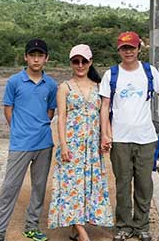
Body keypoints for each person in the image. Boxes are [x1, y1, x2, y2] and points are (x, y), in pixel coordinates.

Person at [99, 32, 159, 241]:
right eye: (124, 48)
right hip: (120, 138)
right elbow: (105, 106)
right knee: (122, 184)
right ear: (119, 50)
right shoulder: (111, 74)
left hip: (146, 138)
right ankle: (123, 225)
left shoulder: (149, 71)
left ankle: (141, 225)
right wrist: (105, 134)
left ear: (139, 48)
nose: (128, 51)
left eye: (132, 47)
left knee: (144, 184)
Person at [0, 39, 57, 241]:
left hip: (44, 143)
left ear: (46, 58)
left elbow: (50, 112)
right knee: (10, 187)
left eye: (40, 55)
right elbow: (8, 110)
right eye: (32, 55)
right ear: (26, 57)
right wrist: (19, 129)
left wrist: (38, 126)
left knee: (39, 187)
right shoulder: (14, 82)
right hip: (21, 144)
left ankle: (32, 227)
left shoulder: (51, 84)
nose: (36, 59)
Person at [48, 44, 114, 241]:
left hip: (92, 146)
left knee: (88, 186)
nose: (80, 65)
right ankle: (82, 233)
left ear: (90, 62)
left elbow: (104, 113)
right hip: (73, 145)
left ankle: (75, 229)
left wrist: (106, 136)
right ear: (71, 63)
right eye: (76, 61)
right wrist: (64, 145)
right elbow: (61, 117)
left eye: (84, 61)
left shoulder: (98, 86)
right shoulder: (64, 87)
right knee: (71, 187)